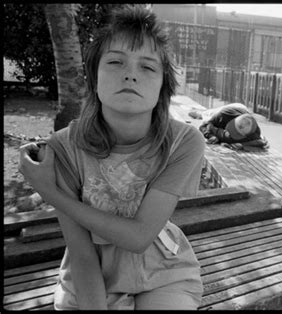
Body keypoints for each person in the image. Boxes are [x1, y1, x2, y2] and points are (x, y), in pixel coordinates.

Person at [18, 5, 204, 310]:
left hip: (163, 270)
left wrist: (49, 191)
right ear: (93, 76)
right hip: (89, 272)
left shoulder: (184, 142)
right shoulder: (63, 149)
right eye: (116, 61)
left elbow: (140, 236)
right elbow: (81, 252)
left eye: (147, 67)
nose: (130, 74)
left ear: (163, 87)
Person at [190, 103, 268, 147]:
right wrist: (210, 135)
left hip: (243, 111)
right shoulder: (224, 114)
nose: (232, 134)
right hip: (231, 108)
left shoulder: (254, 130)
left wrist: (242, 145)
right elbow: (203, 126)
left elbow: (261, 142)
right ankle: (199, 113)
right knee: (206, 116)